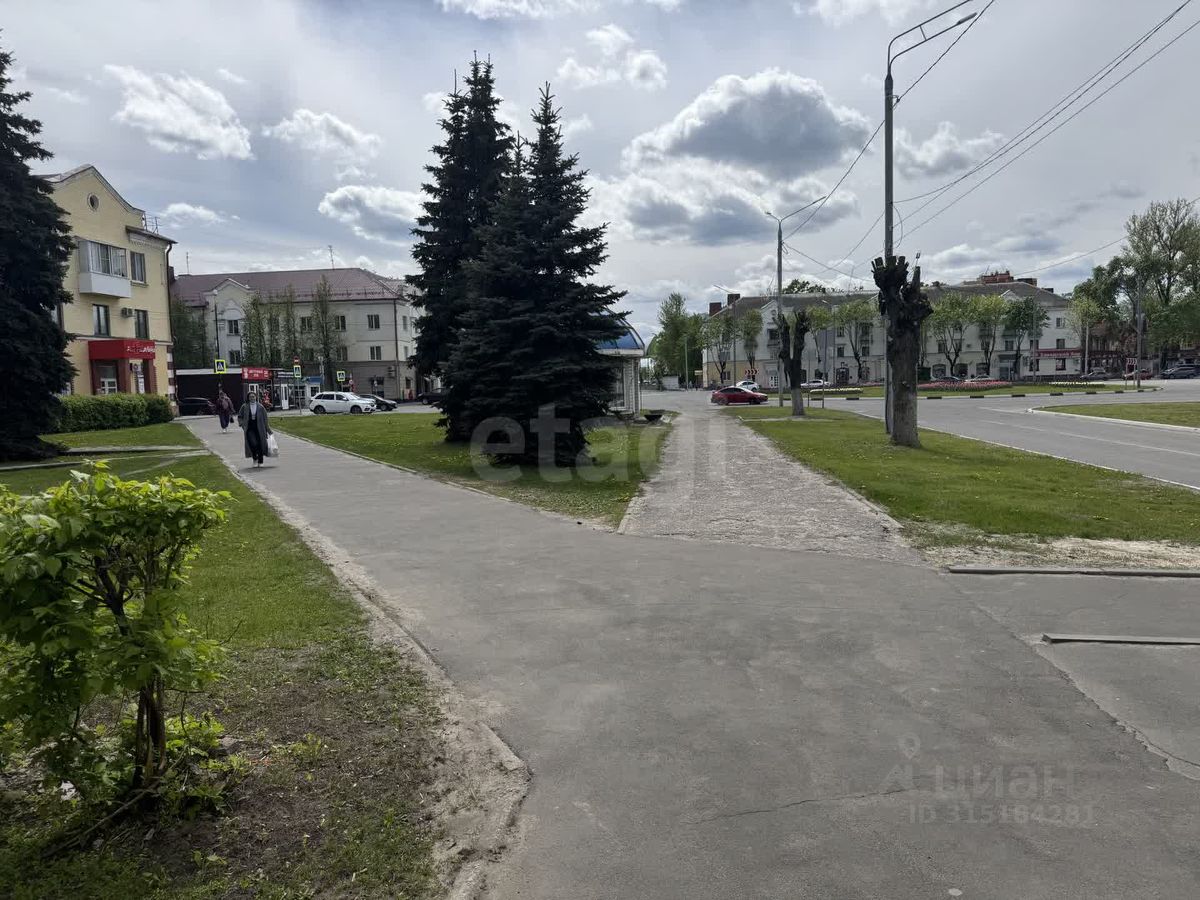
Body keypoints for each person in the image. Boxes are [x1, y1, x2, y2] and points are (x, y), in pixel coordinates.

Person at [237, 392, 273, 467]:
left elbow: (265, 419)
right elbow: (240, 416)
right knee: (252, 443)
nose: (252, 398)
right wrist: (242, 424)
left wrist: (268, 430)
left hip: (259, 428)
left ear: (256, 397)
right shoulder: (245, 406)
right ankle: (255, 459)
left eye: (253, 396)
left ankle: (260, 461)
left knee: (260, 444)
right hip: (249, 428)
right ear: (248, 398)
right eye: (250, 397)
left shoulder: (260, 407)